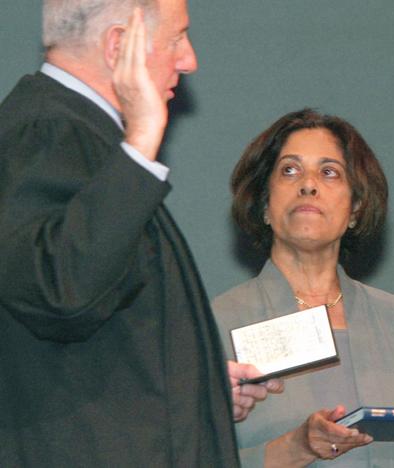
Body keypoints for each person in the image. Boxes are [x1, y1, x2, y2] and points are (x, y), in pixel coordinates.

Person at [0, 1, 280, 466]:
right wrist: (143, 136)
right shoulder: (46, 130)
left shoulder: (77, 136)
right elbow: (60, 289)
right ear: (118, 45)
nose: (189, 60)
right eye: (176, 39)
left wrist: (195, 386)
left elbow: (93, 316)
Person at [213, 108, 394, 467]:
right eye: (290, 170)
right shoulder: (216, 325)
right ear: (264, 204)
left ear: (356, 208)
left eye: (329, 173)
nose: (308, 185)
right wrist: (297, 447)